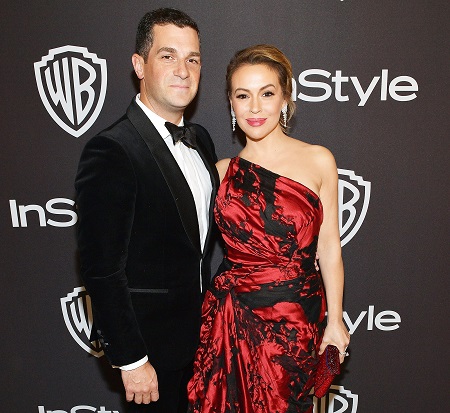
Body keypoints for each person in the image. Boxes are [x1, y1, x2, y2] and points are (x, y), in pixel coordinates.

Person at [187, 44, 350, 413]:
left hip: (294, 321)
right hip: (230, 320)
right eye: (243, 95)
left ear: (285, 98)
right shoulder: (220, 172)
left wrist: (336, 321)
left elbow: (329, 249)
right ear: (231, 103)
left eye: (267, 93)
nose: (255, 108)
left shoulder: (318, 159)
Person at [75, 8, 219, 413]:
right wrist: (132, 360)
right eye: (167, 56)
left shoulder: (201, 140)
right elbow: (101, 268)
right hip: (149, 356)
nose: (183, 70)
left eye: (192, 59)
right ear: (139, 64)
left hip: (204, 344)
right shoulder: (113, 150)